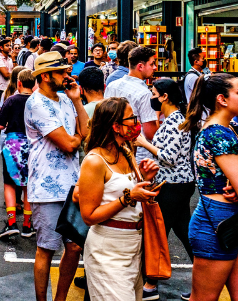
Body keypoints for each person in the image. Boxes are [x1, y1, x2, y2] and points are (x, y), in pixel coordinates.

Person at [79, 97, 160, 301]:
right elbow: (88, 216)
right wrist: (128, 198)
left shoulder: (126, 151)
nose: (136, 122)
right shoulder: (94, 161)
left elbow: (130, 194)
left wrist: (144, 179)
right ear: (116, 126)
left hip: (134, 247)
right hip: (107, 250)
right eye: (131, 118)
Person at [24, 51, 89, 301]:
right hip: (46, 187)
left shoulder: (65, 99)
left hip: (73, 186)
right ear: (45, 75)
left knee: (73, 247)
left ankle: (60, 299)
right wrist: (76, 138)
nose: (67, 75)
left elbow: (84, 132)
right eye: (62, 71)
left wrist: (77, 101)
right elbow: (70, 144)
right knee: (46, 248)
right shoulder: (36, 103)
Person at [133, 78, 194, 300]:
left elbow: (168, 157)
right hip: (175, 184)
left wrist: (144, 143)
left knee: (158, 233)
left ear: (165, 97)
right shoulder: (171, 119)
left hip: (174, 185)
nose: (151, 97)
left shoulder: (176, 120)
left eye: (153, 93)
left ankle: (150, 283)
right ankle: (207, 275)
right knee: (184, 231)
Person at [180, 74, 238, 301]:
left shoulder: (228, 128)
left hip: (225, 219)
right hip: (217, 223)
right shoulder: (218, 133)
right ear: (222, 99)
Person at [0, 69, 35, 238]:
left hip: (13, 144)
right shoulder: (36, 101)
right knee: (28, 184)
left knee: (9, 183)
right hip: (33, 145)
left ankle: (12, 223)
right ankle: (27, 225)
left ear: (18, 83)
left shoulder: (11, 100)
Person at [104, 46, 158, 163]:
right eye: (152, 64)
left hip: (112, 149)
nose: (155, 67)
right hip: (139, 156)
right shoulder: (144, 94)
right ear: (140, 66)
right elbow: (150, 133)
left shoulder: (112, 85)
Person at [0, 39, 14, 106]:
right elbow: (6, 75)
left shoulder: (10, 59)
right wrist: (14, 74)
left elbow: (16, 70)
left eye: (10, 46)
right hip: (1, 90)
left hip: (9, 89)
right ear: (1, 48)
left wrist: (14, 59)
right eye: (7, 46)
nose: (9, 48)